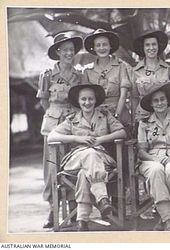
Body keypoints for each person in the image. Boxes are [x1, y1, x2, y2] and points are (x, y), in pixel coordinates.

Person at [47, 84, 127, 231]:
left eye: (90, 99)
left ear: (95, 100)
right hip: (76, 159)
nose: (87, 102)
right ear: (78, 101)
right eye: (83, 99)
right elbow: (51, 137)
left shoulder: (105, 115)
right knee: (89, 154)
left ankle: (82, 220)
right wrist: (77, 138)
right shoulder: (72, 119)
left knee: (85, 173)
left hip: (101, 159)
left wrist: (101, 139)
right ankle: (102, 198)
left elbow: (122, 133)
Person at [36, 31, 83, 228]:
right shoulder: (47, 75)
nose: (68, 54)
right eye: (64, 50)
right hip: (53, 125)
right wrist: (56, 116)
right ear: (58, 52)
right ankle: (53, 210)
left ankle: (73, 209)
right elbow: (44, 100)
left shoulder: (79, 75)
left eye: (71, 50)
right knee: (52, 168)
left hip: (73, 124)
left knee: (72, 166)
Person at [137, 83, 170, 231]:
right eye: (156, 100)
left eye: (162, 99)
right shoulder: (144, 123)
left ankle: (164, 215)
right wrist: (153, 159)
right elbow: (141, 151)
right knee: (156, 170)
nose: (160, 103)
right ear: (151, 104)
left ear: (168, 101)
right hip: (151, 158)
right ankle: (168, 220)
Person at [83, 28, 130, 125]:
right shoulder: (87, 70)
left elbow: (123, 95)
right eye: (98, 45)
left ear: (110, 46)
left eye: (105, 44)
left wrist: (117, 116)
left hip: (119, 114)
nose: (102, 48)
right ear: (94, 48)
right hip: (96, 116)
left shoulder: (121, 66)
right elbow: (86, 98)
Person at [130, 29, 170, 132]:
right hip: (143, 117)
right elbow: (134, 98)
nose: (151, 48)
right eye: (147, 45)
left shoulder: (168, 69)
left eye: (154, 44)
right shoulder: (135, 71)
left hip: (164, 116)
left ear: (158, 46)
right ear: (143, 48)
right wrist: (134, 121)